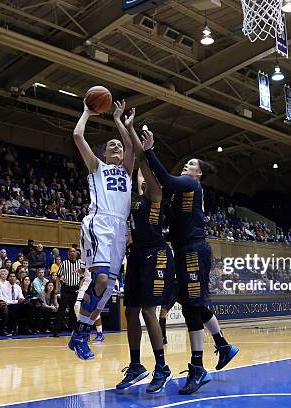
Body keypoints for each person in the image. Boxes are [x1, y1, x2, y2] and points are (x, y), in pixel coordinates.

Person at [142, 129, 238, 394]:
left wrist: (149, 150)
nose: (187, 165)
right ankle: (221, 345)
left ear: (199, 174)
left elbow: (165, 179)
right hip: (184, 250)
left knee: (193, 306)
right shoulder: (181, 195)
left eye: (192, 164)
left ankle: (199, 365)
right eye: (188, 163)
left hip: (194, 249)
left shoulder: (192, 185)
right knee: (189, 305)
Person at [68, 99, 134, 360]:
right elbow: (76, 135)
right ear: (104, 154)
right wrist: (87, 111)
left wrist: (120, 121)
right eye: (111, 146)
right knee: (101, 279)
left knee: (105, 292)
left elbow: (130, 146)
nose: (117, 146)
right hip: (100, 223)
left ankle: (79, 335)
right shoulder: (97, 167)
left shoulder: (128, 171)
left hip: (120, 230)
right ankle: (81, 335)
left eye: (118, 144)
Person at [116, 122, 174, 393]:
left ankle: (161, 366)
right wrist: (121, 127)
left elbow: (139, 160)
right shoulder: (131, 199)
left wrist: (131, 132)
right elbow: (130, 161)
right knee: (130, 311)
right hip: (137, 255)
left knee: (149, 312)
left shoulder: (155, 193)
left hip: (156, 254)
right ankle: (136, 364)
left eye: (143, 175)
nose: (140, 177)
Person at [55, 247, 82, 337]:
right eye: (70, 251)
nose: (72, 253)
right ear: (68, 253)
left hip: (75, 289)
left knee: (74, 310)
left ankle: (73, 328)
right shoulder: (64, 263)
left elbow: (82, 278)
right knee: (61, 309)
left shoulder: (79, 264)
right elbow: (58, 277)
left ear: (76, 253)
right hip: (66, 288)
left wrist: (80, 289)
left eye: (74, 251)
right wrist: (56, 288)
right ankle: (56, 330)